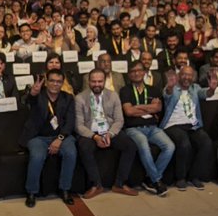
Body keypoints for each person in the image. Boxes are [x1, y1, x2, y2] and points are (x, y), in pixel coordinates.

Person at [74, 68, 139, 198]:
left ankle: (119, 183)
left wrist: (110, 134)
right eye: (94, 81)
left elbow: (119, 120)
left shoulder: (113, 95)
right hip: (90, 132)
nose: (97, 84)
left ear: (104, 81)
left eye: (100, 81)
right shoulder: (80, 98)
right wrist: (95, 137)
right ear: (88, 81)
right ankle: (96, 185)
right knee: (84, 148)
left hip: (109, 130)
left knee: (130, 146)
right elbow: (78, 125)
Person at [21, 69, 78, 207]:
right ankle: (32, 192)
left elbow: (70, 122)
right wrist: (33, 92)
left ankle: (65, 189)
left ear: (62, 83)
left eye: (58, 82)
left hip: (61, 136)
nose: (55, 84)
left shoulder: (68, 98)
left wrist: (59, 139)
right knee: (37, 156)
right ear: (46, 81)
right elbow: (27, 100)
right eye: (52, 81)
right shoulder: (38, 94)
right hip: (38, 137)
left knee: (71, 153)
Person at [120, 61, 175, 196]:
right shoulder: (125, 90)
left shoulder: (154, 89)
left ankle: (150, 178)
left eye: (139, 70)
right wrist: (148, 108)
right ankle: (156, 181)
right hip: (133, 128)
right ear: (129, 74)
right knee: (144, 145)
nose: (137, 73)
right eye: (133, 71)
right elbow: (128, 112)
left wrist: (137, 107)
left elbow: (158, 108)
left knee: (170, 146)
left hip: (152, 127)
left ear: (144, 72)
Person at [160, 65, 213, 190]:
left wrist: (212, 89)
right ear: (179, 76)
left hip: (192, 125)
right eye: (184, 74)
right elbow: (167, 94)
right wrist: (170, 86)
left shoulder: (195, 88)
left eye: (190, 75)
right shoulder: (172, 88)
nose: (187, 77)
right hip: (173, 125)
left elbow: (205, 94)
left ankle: (194, 176)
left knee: (207, 143)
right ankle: (180, 178)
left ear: (193, 77)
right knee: (184, 143)